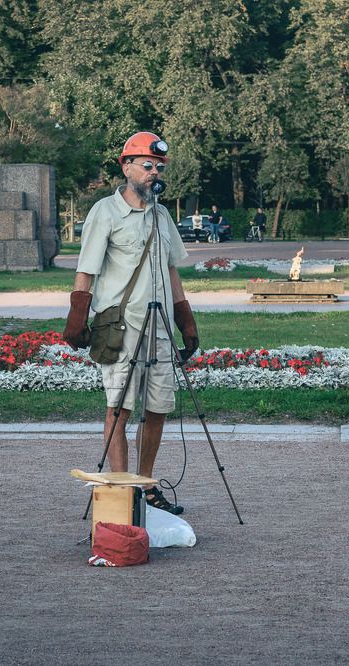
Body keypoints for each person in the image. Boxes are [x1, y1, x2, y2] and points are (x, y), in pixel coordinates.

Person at [62, 130, 199, 516]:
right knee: (119, 409)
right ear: (126, 167)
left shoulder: (161, 214)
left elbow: (172, 270)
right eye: (147, 165)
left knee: (158, 408)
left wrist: (185, 319)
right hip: (120, 326)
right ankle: (122, 490)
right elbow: (86, 270)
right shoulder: (105, 212)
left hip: (158, 327)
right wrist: (77, 316)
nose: (155, 172)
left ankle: (147, 485)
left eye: (159, 167)